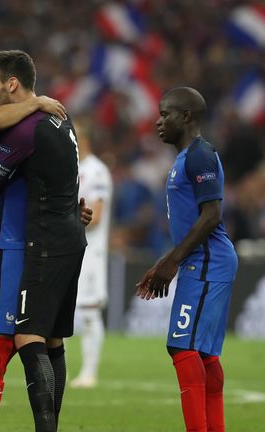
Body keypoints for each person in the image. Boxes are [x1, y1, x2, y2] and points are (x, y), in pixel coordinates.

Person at [0, 50, 87, 432]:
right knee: (53, 340)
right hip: (71, 234)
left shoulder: (24, 128)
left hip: (42, 243)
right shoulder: (60, 123)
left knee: (25, 336)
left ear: (11, 83)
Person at [136, 87, 238, 432]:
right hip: (203, 260)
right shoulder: (185, 158)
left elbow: (211, 216)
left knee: (181, 347)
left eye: (165, 114)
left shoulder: (200, 156)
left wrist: (172, 262)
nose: (158, 121)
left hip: (208, 260)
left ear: (186, 117)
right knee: (204, 355)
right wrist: (167, 260)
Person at [70, 118, 112, 390]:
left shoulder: (95, 171)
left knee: (88, 310)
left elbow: (95, 216)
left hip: (90, 251)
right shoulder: (72, 169)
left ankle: (89, 372)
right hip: (70, 249)